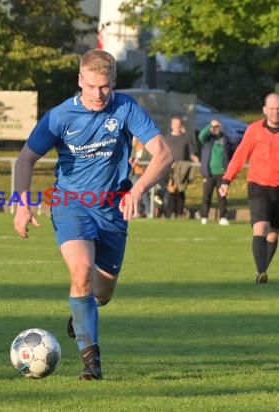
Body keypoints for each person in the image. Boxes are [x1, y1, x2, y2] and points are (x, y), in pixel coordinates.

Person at [13, 49, 173, 380]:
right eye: (91, 86)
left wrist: (138, 189)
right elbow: (25, 159)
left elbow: (164, 154)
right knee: (81, 272)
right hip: (71, 203)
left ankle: (79, 314)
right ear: (80, 81)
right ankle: (91, 363)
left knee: (102, 294)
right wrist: (21, 204)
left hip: (113, 210)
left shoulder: (126, 107)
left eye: (105, 87)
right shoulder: (60, 116)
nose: (99, 94)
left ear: (113, 82)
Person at [219, 93, 279, 284]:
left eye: (278, 109)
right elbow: (240, 155)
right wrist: (227, 180)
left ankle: (262, 270)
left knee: (273, 233)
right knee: (261, 227)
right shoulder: (255, 130)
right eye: (272, 108)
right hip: (258, 185)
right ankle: (261, 272)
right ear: (264, 110)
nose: (275, 112)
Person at [162, 116, 199, 218]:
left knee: (181, 191)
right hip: (171, 168)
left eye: (179, 124)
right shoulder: (167, 138)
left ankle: (179, 213)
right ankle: (170, 213)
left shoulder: (186, 137)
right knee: (171, 191)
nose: (177, 126)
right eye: (175, 124)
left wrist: (195, 158)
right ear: (171, 125)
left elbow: (192, 152)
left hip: (183, 169)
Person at [198, 119, 230, 225]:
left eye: (218, 127)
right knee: (206, 196)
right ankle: (204, 216)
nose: (216, 129)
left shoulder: (224, 138)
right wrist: (210, 126)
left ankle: (222, 217)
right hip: (209, 172)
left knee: (222, 197)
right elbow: (201, 136)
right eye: (215, 127)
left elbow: (230, 151)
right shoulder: (208, 138)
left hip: (222, 173)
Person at [129, 137, 152, 217]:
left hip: (144, 173)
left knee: (144, 192)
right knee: (135, 192)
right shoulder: (134, 147)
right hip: (134, 173)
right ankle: (138, 212)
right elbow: (131, 157)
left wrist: (139, 160)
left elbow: (150, 158)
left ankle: (149, 211)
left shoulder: (147, 148)